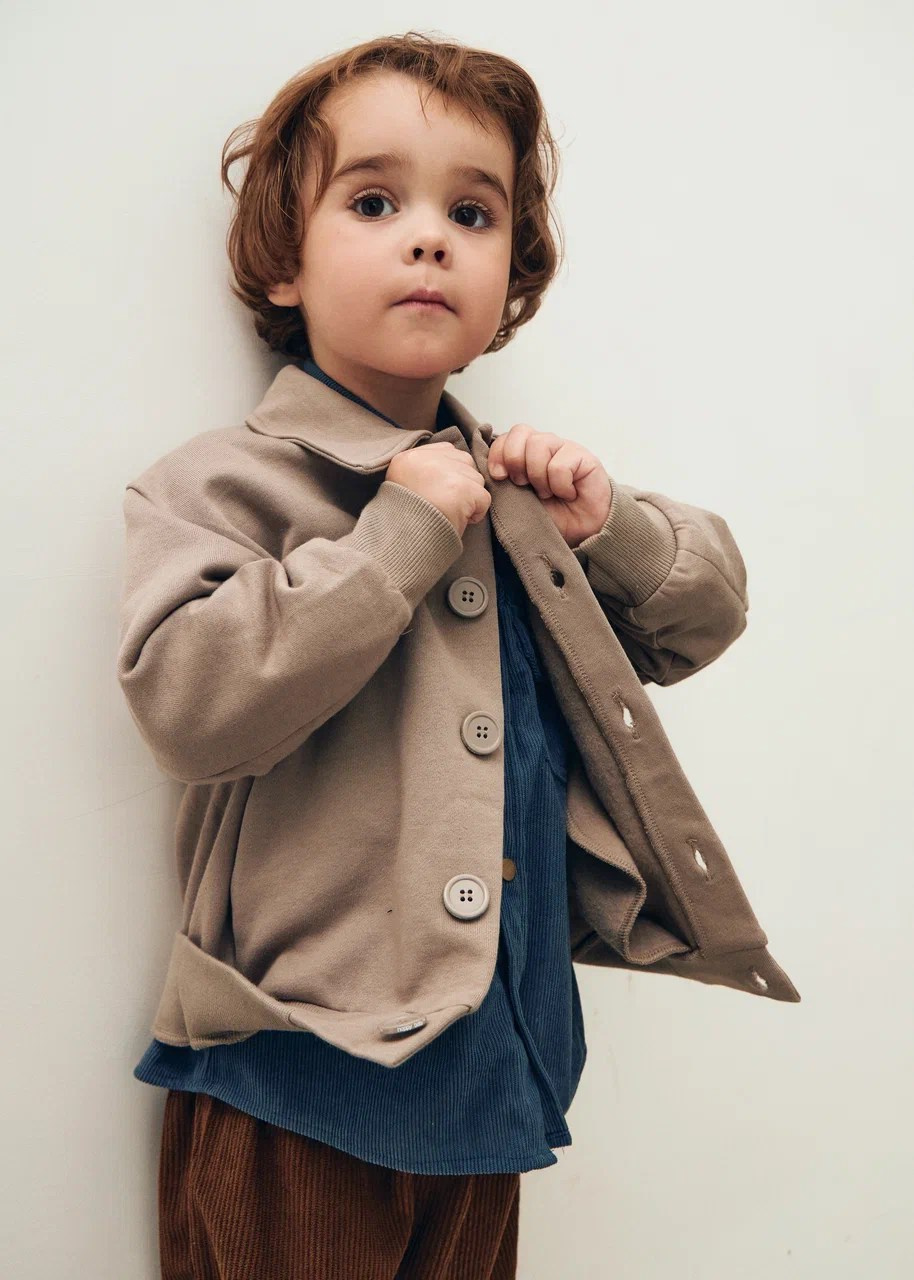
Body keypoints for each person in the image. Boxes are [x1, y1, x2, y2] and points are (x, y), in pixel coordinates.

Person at [117, 29, 799, 1280]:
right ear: (284, 263)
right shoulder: (224, 483)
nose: (428, 238)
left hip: (493, 1077)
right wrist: (397, 537)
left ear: (509, 281)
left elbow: (702, 612)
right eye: (373, 202)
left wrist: (607, 524)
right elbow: (188, 701)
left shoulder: (518, 496)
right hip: (297, 1073)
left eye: (471, 213)